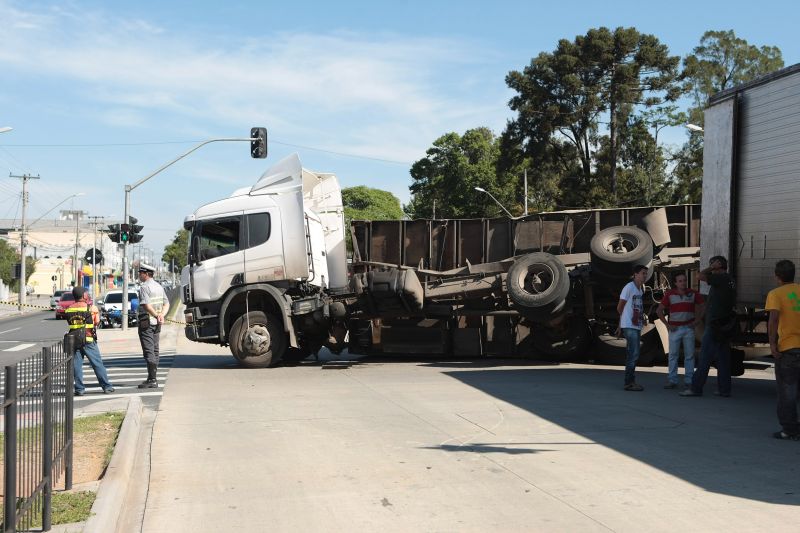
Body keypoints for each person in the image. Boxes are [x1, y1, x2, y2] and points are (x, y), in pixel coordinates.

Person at [681, 256, 736, 398]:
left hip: (715, 325)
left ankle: (695, 388)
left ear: (718, 266)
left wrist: (712, 267)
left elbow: (700, 276)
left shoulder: (721, 278)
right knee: (723, 358)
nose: (710, 268)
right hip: (724, 324)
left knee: (705, 357)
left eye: (712, 265)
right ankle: (724, 389)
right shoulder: (728, 279)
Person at [765, 260, 800, 440]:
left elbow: (773, 321)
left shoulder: (775, 294)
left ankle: (790, 429)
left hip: (789, 347)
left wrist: (772, 345)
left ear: (777, 276)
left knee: (788, 391)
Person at [657, 272, 705, 389]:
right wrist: (667, 325)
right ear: (675, 283)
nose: (683, 283)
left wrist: (698, 320)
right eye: (680, 281)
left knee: (689, 355)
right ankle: (672, 380)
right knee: (673, 355)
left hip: (689, 328)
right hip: (675, 329)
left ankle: (689, 380)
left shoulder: (693, 294)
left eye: (684, 280)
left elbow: (704, 305)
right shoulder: (669, 294)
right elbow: (659, 310)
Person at [66, 286, 114, 396]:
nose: (88, 295)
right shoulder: (92, 308)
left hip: (74, 340)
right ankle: (106, 386)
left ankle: (79, 389)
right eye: (86, 293)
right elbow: (96, 322)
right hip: (88, 340)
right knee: (97, 364)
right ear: (83, 296)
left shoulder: (69, 309)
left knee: (76, 365)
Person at [137, 263, 170, 389]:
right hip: (157, 323)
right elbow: (167, 303)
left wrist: (156, 315)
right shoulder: (159, 286)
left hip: (147, 322)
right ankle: (152, 377)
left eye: (140, 273)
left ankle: (152, 379)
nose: (139, 275)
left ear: (146, 274)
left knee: (149, 350)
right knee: (155, 350)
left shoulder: (144, 287)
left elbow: (146, 305)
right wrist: (161, 315)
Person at [617, 264, 649, 391]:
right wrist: (623, 323)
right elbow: (620, 307)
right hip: (630, 326)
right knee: (633, 354)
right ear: (635, 274)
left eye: (646, 273)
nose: (645, 275)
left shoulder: (640, 289)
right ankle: (629, 382)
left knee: (633, 353)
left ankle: (630, 381)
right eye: (642, 273)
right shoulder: (628, 288)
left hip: (636, 325)